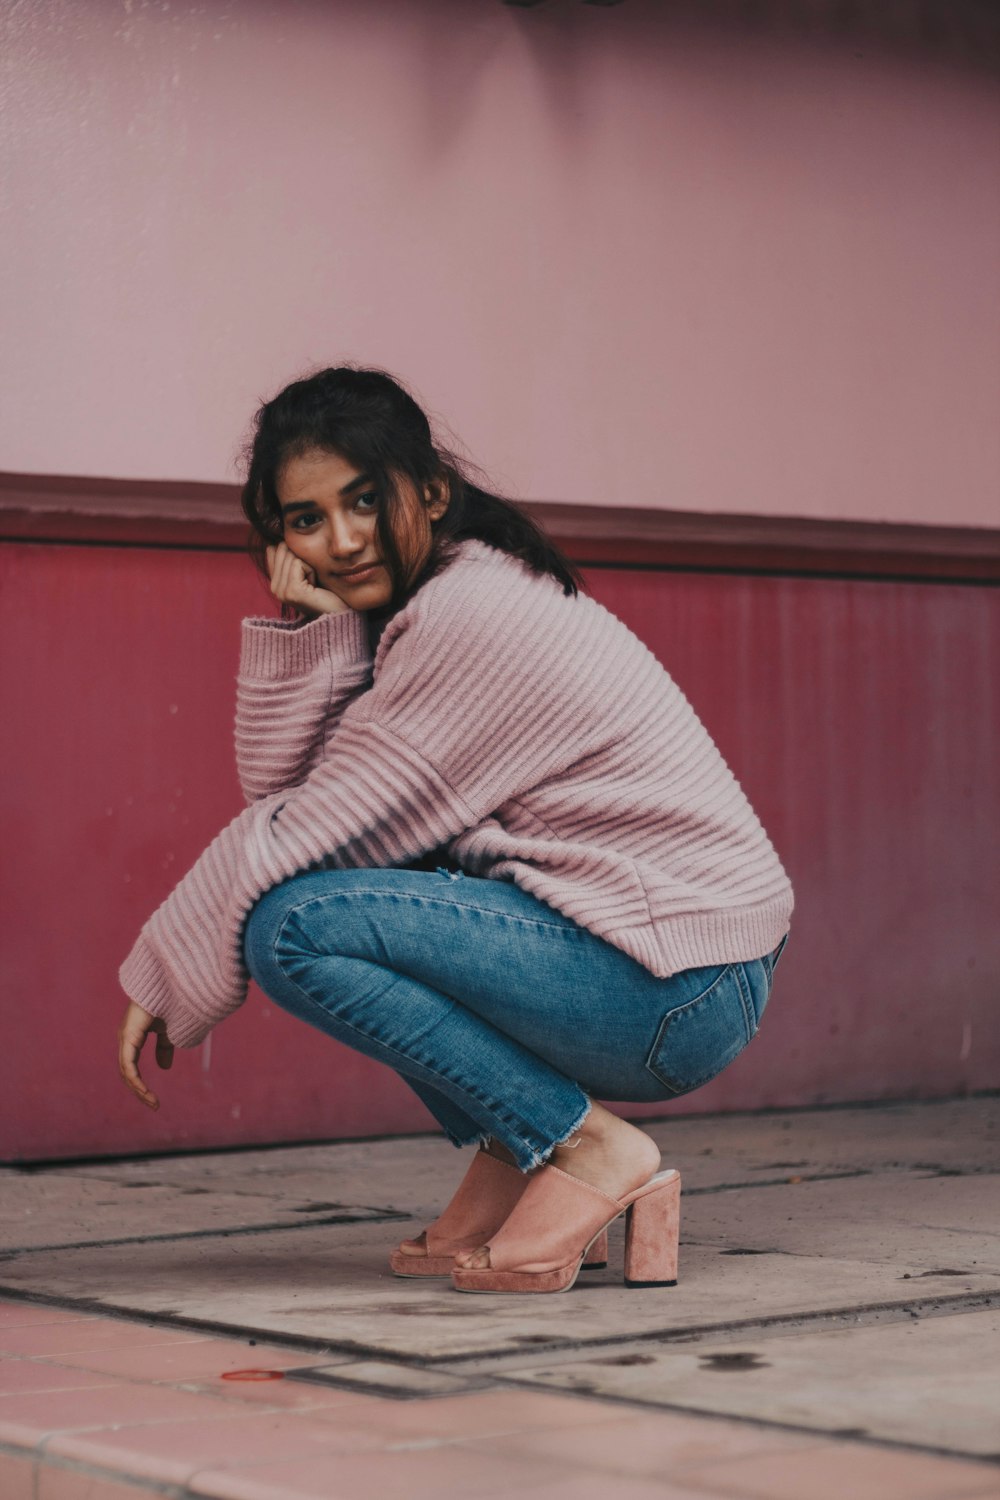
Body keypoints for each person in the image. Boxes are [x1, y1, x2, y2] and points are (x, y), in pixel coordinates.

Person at [116, 365, 793, 1295]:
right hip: (657, 965)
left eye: (364, 500)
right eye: (305, 519)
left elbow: (310, 831)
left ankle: (581, 1146)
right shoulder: (434, 602)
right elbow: (291, 803)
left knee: (294, 928)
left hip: (680, 985)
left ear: (432, 492)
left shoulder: (469, 613)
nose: (341, 539)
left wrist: (170, 962)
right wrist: (316, 635)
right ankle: (519, 1149)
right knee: (342, 893)